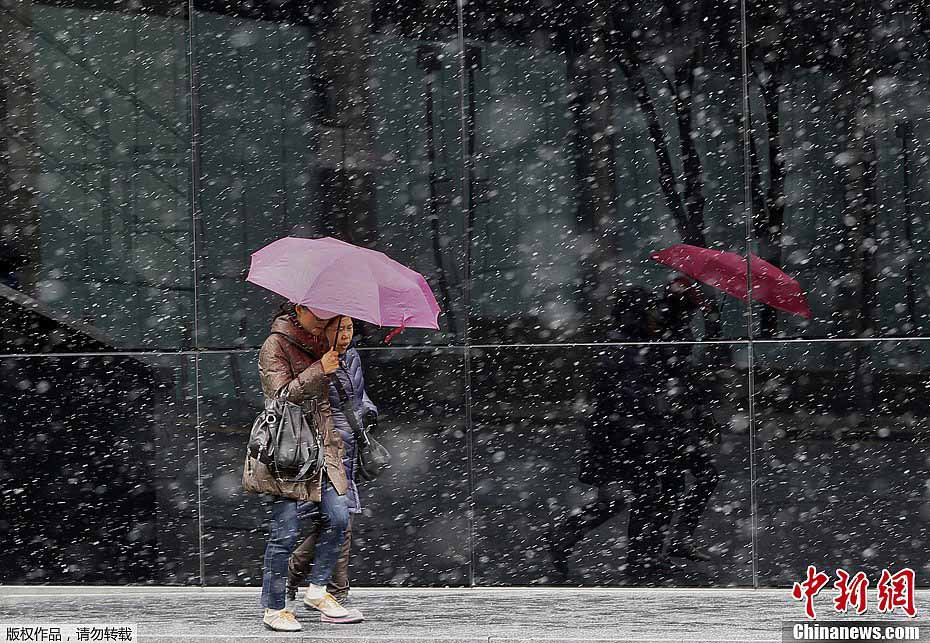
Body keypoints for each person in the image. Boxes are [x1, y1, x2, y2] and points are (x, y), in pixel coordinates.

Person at [549, 287, 676, 584]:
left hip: (619, 436)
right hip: (620, 438)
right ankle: (639, 561)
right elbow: (625, 392)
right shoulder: (626, 346)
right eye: (649, 312)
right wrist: (650, 417)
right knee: (641, 496)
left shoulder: (631, 344)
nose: (656, 317)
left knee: (627, 498)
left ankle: (569, 536)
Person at [242, 302, 351, 632]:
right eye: (318, 314)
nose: (323, 321)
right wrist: (321, 368)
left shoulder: (323, 340)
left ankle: (317, 589)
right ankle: (274, 607)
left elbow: (331, 397)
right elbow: (280, 397)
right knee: (285, 532)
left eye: (327, 316)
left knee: (339, 518)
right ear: (299, 309)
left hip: (322, 447)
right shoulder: (275, 344)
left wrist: (333, 362)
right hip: (287, 449)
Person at [287, 315, 377, 622]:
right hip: (322, 447)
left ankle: (308, 584)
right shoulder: (312, 356)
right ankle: (329, 591)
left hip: (348, 445)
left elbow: (357, 396)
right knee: (339, 520)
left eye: (350, 328)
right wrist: (321, 370)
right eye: (340, 329)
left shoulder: (351, 355)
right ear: (324, 329)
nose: (346, 335)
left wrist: (368, 411)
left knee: (337, 520)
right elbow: (296, 397)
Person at [654, 277, 720, 562]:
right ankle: (667, 543)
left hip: (676, 421)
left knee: (676, 484)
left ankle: (662, 545)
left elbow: (683, 379)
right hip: (673, 422)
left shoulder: (669, 330)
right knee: (690, 480)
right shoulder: (670, 334)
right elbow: (679, 378)